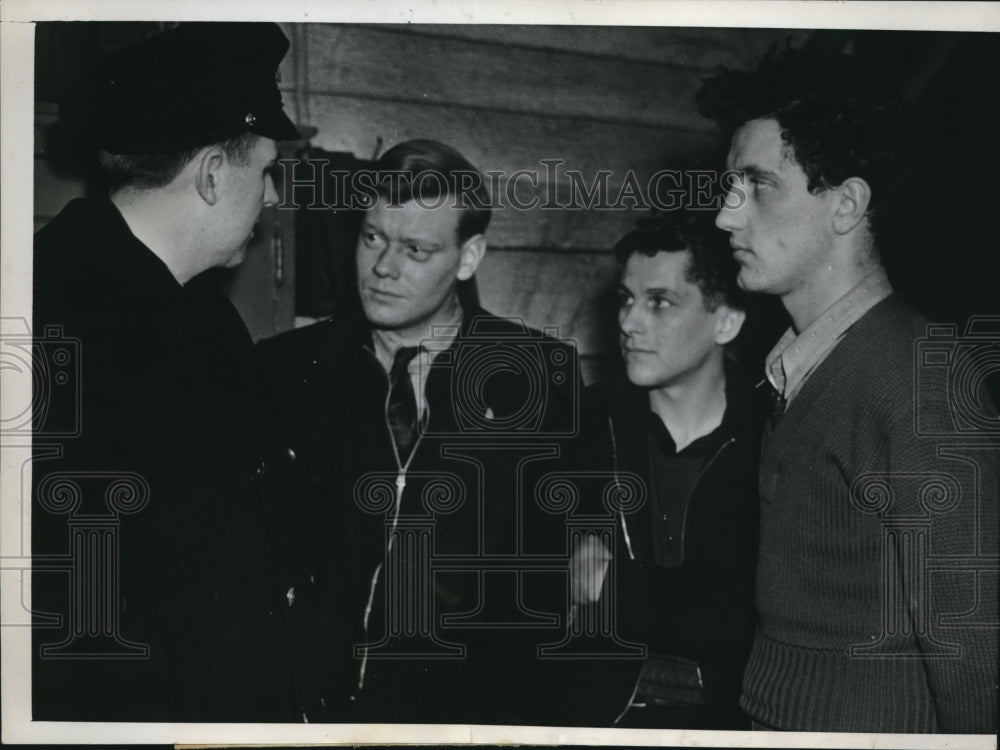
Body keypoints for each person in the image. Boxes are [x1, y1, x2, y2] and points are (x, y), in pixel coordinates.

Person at [699, 46, 999, 733]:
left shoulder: (920, 375)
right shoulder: (797, 368)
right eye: (727, 186)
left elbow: (977, 658)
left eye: (758, 184)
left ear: (847, 205)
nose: (725, 216)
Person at [32, 23, 321, 722]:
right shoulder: (59, 315)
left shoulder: (196, 317)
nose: (276, 197)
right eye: (268, 171)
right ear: (215, 175)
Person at [258, 139, 580, 724]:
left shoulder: (534, 378)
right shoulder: (285, 371)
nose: (383, 267)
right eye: (372, 237)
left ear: (468, 256)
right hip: (305, 710)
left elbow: (552, 585)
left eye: (417, 249)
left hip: (467, 716)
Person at [569, 212, 761, 729]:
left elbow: (752, 620)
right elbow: (548, 595)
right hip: (598, 719)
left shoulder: (773, 439)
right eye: (627, 300)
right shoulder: (585, 425)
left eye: (660, 302)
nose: (629, 322)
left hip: (736, 724)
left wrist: (613, 585)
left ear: (726, 319)